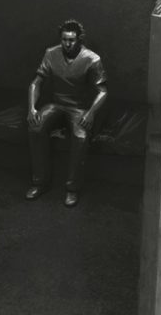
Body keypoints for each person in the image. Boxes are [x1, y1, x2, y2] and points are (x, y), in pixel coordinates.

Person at [26, 20, 108, 207]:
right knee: (35, 127)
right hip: (56, 103)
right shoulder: (51, 53)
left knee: (80, 136)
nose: (67, 44)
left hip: (78, 108)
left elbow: (103, 91)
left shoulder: (92, 59)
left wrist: (91, 113)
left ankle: (72, 189)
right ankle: (40, 183)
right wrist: (32, 108)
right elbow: (35, 83)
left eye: (71, 40)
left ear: (79, 40)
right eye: (64, 40)